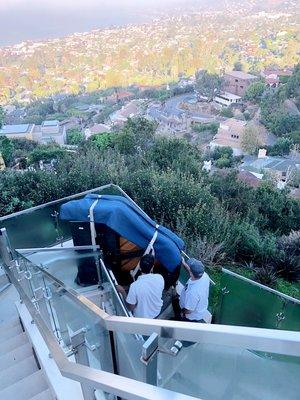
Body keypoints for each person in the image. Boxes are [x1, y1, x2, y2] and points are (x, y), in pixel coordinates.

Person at [117, 254, 164, 319]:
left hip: (142, 319)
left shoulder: (134, 286)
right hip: (157, 312)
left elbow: (130, 308)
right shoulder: (160, 278)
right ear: (152, 267)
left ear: (139, 267)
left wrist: (122, 291)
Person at [179, 258, 210, 323]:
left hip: (191, 317)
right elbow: (192, 272)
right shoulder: (205, 276)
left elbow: (189, 310)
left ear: (191, 273)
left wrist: (182, 312)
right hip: (200, 309)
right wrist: (184, 264)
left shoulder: (193, 292)